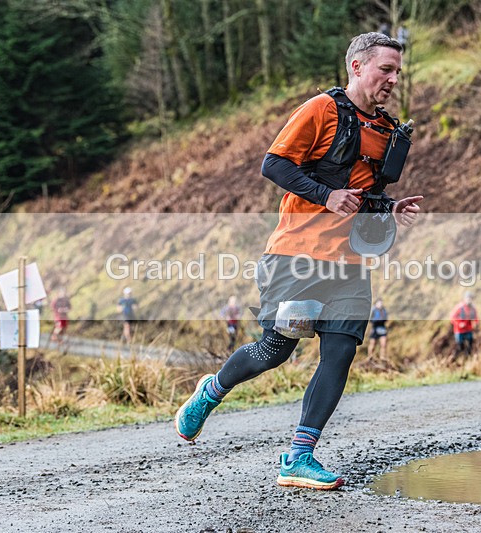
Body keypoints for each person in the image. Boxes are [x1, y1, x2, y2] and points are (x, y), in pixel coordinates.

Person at [175, 32, 423, 490]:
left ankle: (299, 455)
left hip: (348, 263)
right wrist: (326, 196)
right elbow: (274, 165)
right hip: (296, 255)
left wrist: (389, 208)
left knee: (342, 350)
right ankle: (212, 391)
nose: (392, 79)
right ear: (356, 66)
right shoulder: (321, 110)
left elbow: (364, 195)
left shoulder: (387, 129)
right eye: (385, 69)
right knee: (275, 350)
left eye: (397, 72)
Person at [451, 291, 478, 357]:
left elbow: (476, 318)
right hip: (459, 330)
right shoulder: (459, 307)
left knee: (470, 343)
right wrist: (459, 324)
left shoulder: (473, 308)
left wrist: (475, 323)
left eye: (471, 298)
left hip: (468, 329)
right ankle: (457, 358)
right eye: (468, 298)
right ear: (464, 299)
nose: (469, 300)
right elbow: (452, 318)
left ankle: (468, 358)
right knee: (460, 346)